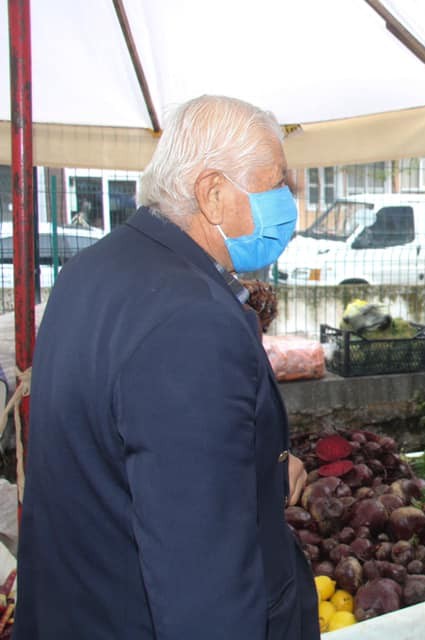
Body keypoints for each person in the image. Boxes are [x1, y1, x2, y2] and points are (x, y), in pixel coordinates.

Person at [15, 96, 321, 639]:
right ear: (212, 193)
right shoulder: (194, 319)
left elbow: (127, 449)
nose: (287, 202)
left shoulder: (90, 270)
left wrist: (263, 472)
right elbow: (202, 575)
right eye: (274, 184)